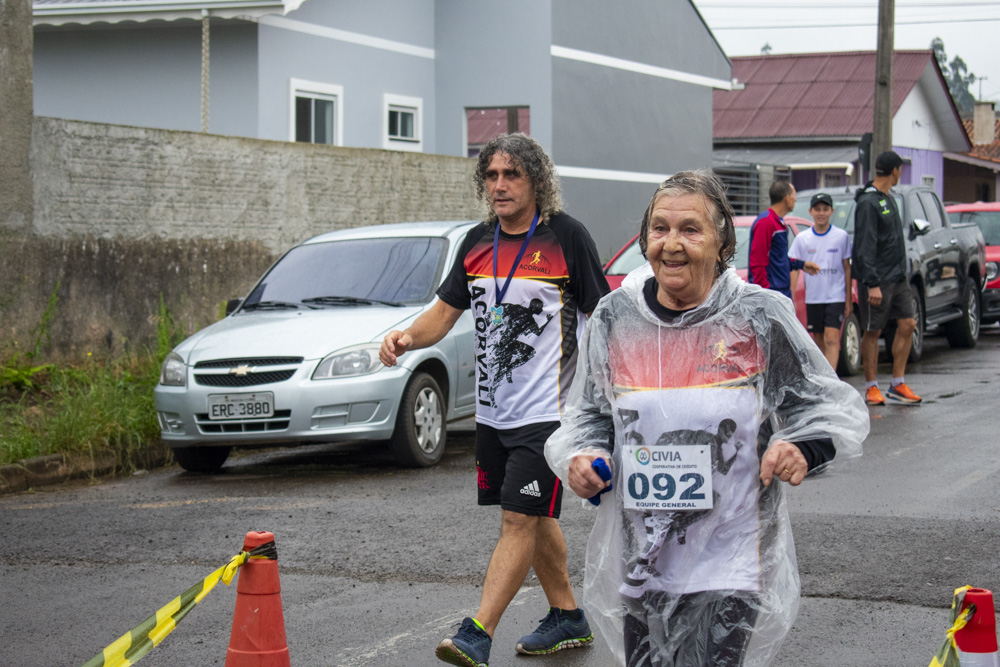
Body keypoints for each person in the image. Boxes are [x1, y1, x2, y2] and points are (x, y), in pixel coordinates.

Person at [544, 169, 868, 666]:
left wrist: (803, 447)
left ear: (722, 245)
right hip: (643, 555)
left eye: (690, 229)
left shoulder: (759, 316)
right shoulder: (616, 319)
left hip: (732, 553)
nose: (671, 244)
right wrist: (584, 457)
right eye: (659, 228)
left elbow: (825, 406)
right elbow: (589, 415)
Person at [378, 133, 610, 667]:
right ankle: (568, 616)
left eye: (513, 175)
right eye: (492, 176)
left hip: (549, 414)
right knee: (534, 516)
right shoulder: (478, 241)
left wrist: (601, 400)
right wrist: (406, 338)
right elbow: (444, 310)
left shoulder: (566, 237)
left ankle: (477, 633)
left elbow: (603, 316)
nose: (500, 186)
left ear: (537, 181)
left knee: (518, 520)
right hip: (494, 413)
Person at [852, 150, 922, 405]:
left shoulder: (889, 198)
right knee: (873, 330)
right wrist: (871, 283)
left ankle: (897, 383)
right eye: (900, 170)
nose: (900, 174)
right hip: (877, 280)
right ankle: (871, 387)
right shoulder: (868, 202)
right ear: (895, 171)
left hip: (898, 277)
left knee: (908, 324)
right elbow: (864, 246)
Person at [788, 192, 853, 369]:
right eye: (817, 209)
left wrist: (848, 299)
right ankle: (824, 379)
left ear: (832, 211)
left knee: (831, 338)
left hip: (835, 297)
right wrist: (791, 297)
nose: (821, 213)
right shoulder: (802, 238)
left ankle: (832, 382)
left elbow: (847, 267)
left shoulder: (841, 236)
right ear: (810, 211)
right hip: (814, 298)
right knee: (818, 340)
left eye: (825, 209)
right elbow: (794, 266)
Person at [748, 179, 819, 297]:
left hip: (782, 293)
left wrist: (802, 265)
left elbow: (779, 259)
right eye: (794, 195)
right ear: (787, 198)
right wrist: (763, 296)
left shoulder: (779, 222)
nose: (795, 199)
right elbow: (757, 262)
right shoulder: (766, 222)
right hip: (772, 294)